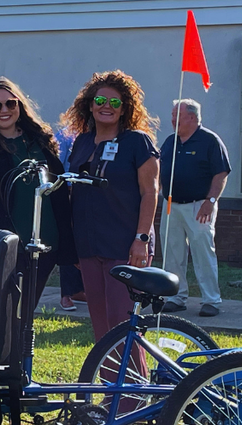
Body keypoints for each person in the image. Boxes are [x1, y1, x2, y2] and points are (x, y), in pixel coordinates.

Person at [0, 77, 77, 304]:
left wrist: (65, 240)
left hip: (42, 246)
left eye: (11, 104)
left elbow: (58, 190)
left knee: (25, 316)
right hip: (0, 246)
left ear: (20, 106)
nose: (4, 110)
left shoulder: (39, 140)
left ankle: (21, 342)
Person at [59, 70, 160, 342]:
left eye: (115, 102)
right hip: (89, 247)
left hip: (125, 246)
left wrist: (142, 239)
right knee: (101, 327)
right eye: (101, 100)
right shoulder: (81, 142)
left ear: (125, 108)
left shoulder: (138, 142)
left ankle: (133, 384)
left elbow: (150, 193)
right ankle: (109, 385)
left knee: (122, 325)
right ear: (89, 105)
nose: (107, 106)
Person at [158, 98, 231, 317]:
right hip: (171, 205)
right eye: (172, 115)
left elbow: (221, 173)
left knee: (202, 253)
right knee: (172, 253)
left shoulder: (210, 141)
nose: (172, 120)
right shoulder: (170, 142)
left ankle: (211, 300)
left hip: (199, 205)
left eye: (176, 116)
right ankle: (176, 297)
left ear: (192, 117)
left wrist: (210, 202)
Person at [53, 129, 86, 312]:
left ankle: (78, 290)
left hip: (88, 197)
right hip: (66, 193)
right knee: (68, 242)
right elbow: (56, 166)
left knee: (82, 243)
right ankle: (66, 295)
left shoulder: (100, 137)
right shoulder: (66, 136)